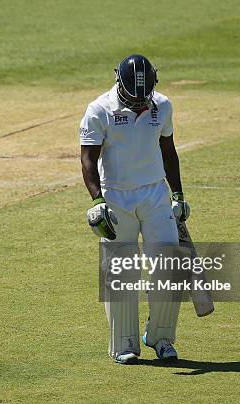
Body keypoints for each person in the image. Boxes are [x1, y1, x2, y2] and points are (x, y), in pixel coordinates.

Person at [80, 54, 191, 364]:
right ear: (119, 83)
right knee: (121, 272)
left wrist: (178, 194)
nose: (141, 104)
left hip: (156, 195)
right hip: (116, 199)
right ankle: (124, 345)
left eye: (145, 97)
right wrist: (97, 201)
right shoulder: (99, 109)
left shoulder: (163, 105)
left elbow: (168, 151)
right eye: (134, 98)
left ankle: (160, 337)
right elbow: (88, 157)